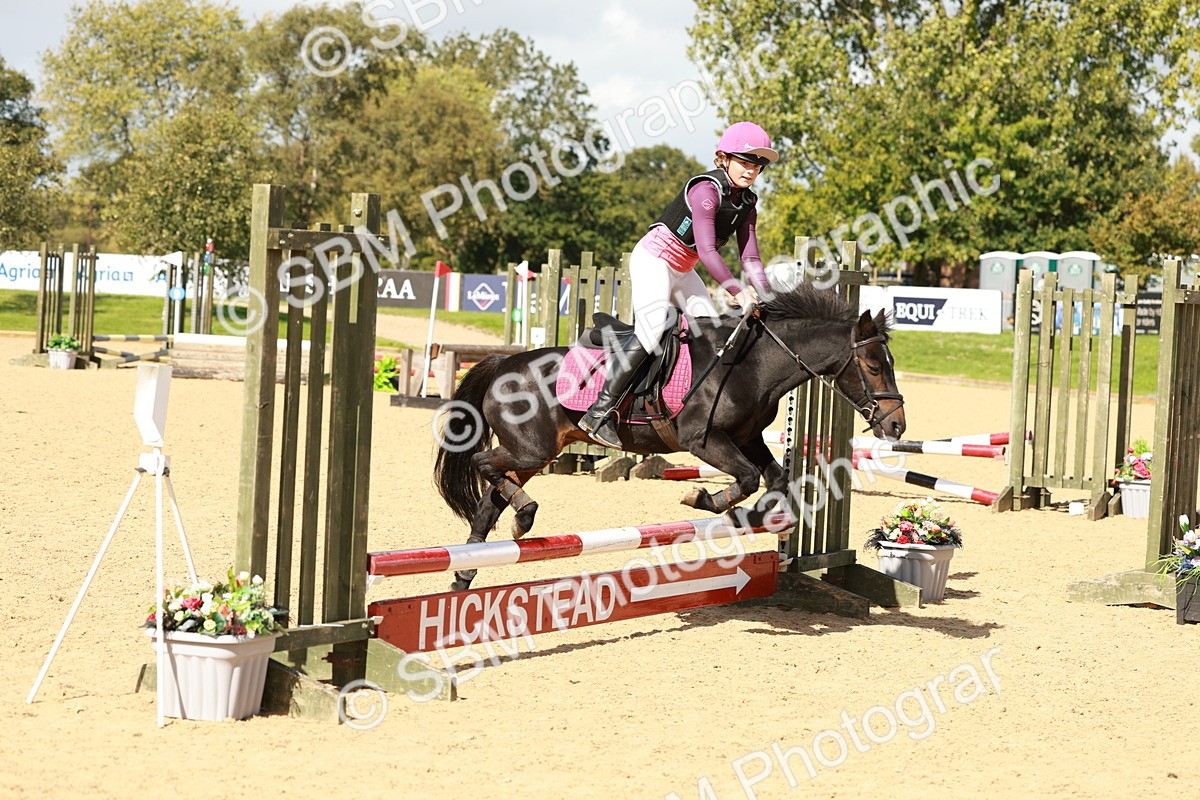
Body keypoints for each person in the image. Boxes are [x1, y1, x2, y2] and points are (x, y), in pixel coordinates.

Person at [578, 120, 779, 448]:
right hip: (653, 259)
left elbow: (751, 259)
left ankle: (691, 407)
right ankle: (599, 412)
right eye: (744, 161)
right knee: (654, 327)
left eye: (758, 164)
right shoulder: (706, 191)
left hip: (683, 268)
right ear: (723, 159)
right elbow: (709, 250)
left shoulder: (748, 204)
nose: (751, 170)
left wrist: (768, 296)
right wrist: (737, 290)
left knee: (709, 330)